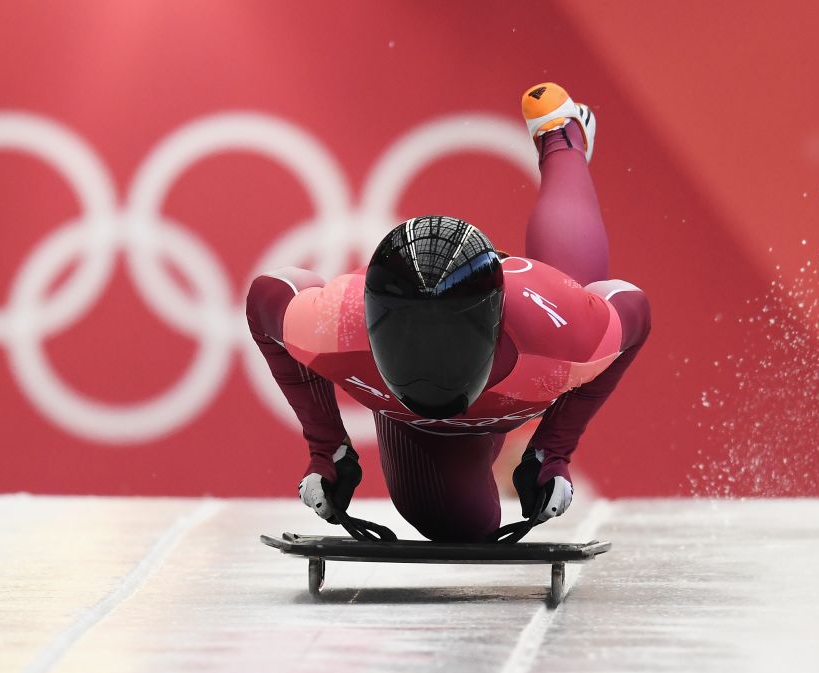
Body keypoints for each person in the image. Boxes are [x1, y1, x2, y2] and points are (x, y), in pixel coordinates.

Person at [246, 82, 651, 542]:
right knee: (463, 530)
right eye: (410, 341)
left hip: (530, 325)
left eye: (445, 344)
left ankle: (562, 137)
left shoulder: (558, 332)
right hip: (469, 398)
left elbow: (629, 306)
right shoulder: (335, 323)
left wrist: (552, 449)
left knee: (579, 297)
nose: (430, 365)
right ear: (373, 323)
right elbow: (267, 298)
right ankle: (562, 135)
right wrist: (328, 449)